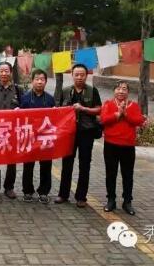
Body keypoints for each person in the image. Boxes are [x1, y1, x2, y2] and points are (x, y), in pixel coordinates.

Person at [55, 64, 102, 208]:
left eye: (82, 75)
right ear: (72, 75)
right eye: (77, 74)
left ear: (86, 76)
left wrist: (83, 108)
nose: (79, 77)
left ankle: (81, 197)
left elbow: (99, 109)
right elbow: (59, 109)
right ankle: (63, 194)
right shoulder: (65, 91)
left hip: (86, 132)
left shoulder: (92, 91)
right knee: (67, 163)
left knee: (84, 164)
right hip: (69, 133)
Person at [100, 81, 145, 215]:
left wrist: (125, 114)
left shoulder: (134, 106)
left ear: (128, 92)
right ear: (114, 91)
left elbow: (139, 121)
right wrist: (117, 114)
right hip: (111, 144)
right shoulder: (108, 104)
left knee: (128, 175)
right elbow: (103, 120)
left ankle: (127, 202)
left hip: (128, 145)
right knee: (111, 174)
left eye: (124, 89)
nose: (121, 91)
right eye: (118, 88)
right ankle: (111, 200)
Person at [0, 61, 23, 199]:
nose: (4, 73)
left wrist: (20, 110)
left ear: (11, 73)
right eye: (1, 71)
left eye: (6, 71)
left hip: (13, 131)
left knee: (11, 161)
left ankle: (9, 187)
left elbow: (25, 109)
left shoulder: (18, 90)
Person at [19, 68, 55, 204]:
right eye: (37, 79)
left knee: (46, 165)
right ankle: (27, 191)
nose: (39, 82)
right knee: (28, 165)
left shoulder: (50, 99)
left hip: (45, 137)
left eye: (42, 79)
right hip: (29, 137)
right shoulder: (25, 98)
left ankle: (44, 192)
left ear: (45, 82)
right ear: (32, 81)